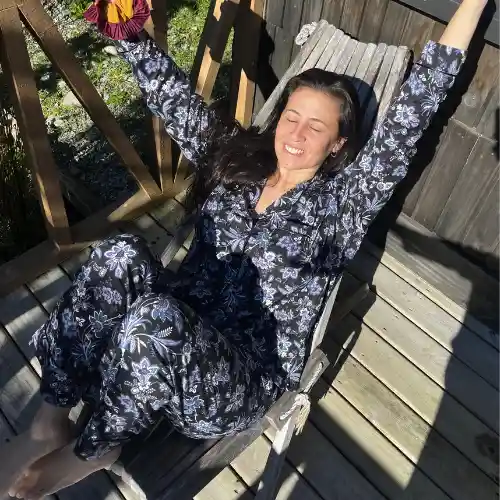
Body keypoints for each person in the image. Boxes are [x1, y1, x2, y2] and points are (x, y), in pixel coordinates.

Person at [0, 0, 489, 498]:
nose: (296, 134)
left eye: (316, 127)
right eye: (291, 117)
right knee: (118, 253)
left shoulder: (345, 203)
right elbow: (172, 97)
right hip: (174, 323)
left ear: (339, 144)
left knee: (154, 320)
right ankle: (50, 419)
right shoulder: (237, 162)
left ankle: (95, 448)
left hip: (239, 377)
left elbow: (420, 102)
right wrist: (128, 29)